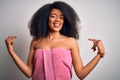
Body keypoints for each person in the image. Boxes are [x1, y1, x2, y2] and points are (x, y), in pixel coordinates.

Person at [5, 1, 105, 80]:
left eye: (61, 17)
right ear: (45, 19)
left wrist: (99, 54)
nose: (58, 20)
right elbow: (29, 73)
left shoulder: (71, 42)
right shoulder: (36, 42)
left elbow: (81, 74)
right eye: (53, 16)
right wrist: (11, 51)